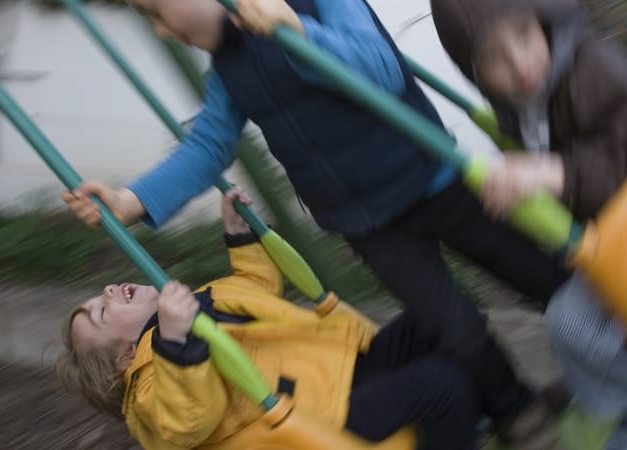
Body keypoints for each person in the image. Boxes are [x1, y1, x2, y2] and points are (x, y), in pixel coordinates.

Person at [62, 0, 572, 446]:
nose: (162, 29)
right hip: (371, 227)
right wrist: (130, 200)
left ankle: (610, 337)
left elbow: (381, 70)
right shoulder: (229, 70)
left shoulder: (315, 4)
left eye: (156, 10)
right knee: (454, 325)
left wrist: (299, 33)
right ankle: (518, 414)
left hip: (433, 180)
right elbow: (207, 148)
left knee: (534, 270)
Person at [429, 0, 627, 448]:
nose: (520, 64)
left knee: (571, 324)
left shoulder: (592, 69)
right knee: (569, 322)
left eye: (523, 35)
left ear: (542, 19)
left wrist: (553, 173)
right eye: (494, 58)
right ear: (475, 73)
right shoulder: (524, 101)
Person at [56, 189, 483, 449]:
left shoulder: (193, 304)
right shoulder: (149, 386)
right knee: (443, 387)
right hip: (318, 418)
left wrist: (239, 236)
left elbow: (253, 288)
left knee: (439, 315)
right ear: (124, 357)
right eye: (100, 312)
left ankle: (500, 406)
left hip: (335, 367)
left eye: (100, 295)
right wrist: (172, 343)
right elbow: (189, 420)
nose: (107, 291)